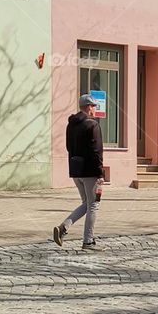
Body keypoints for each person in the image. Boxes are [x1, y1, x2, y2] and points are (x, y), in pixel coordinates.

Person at [53, 94, 103, 250]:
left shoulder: (71, 125)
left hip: (76, 170)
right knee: (93, 205)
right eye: (94, 106)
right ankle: (88, 241)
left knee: (86, 204)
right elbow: (97, 151)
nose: (95, 109)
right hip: (90, 171)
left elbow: (69, 148)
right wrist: (101, 174)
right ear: (88, 107)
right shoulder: (92, 125)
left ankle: (64, 228)